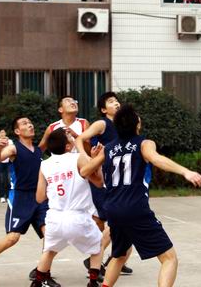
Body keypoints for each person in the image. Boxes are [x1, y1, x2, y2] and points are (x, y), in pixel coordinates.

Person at [81, 105, 201, 287]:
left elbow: (84, 171)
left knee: (119, 255)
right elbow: (155, 158)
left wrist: (95, 162)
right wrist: (185, 171)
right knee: (169, 258)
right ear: (137, 124)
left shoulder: (108, 148)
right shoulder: (144, 143)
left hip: (113, 209)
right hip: (135, 208)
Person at [0, 117, 59, 287]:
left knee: (51, 236)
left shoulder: (38, 150)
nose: (30, 125)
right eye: (24, 124)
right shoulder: (14, 148)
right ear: (17, 131)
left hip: (39, 198)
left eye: (30, 122)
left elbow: (48, 135)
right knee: (13, 238)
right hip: (20, 198)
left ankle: (43, 273)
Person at [31, 128, 103, 287]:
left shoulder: (44, 164)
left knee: (49, 251)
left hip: (54, 217)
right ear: (68, 146)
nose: (73, 137)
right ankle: (93, 282)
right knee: (98, 246)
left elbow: (39, 197)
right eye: (70, 137)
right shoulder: (78, 158)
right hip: (77, 216)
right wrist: (96, 161)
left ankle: (37, 282)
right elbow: (99, 182)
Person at [75, 92, 133, 276]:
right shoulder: (102, 124)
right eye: (111, 102)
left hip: (121, 179)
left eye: (117, 101)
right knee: (117, 222)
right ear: (103, 109)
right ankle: (96, 259)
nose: (116, 103)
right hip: (106, 179)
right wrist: (85, 158)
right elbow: (80, 139)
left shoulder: (123, 125)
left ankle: (115, 258)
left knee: (119, 223)